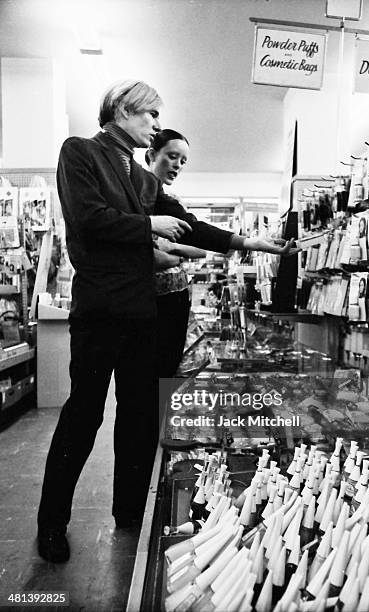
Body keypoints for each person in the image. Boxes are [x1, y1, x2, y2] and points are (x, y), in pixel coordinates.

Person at [37, 78, 299, 564]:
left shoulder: (143, 180)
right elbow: (88, 218)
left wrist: (248, 243)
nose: (155, 124)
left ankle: (130, 511)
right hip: (99, 312)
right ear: (120, 109)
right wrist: (148, 226)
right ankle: (52, 524)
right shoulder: (80, 153)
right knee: (84, 415)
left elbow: (191, 223)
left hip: (141, 313)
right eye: (150, 114)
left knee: (138, 417)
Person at [145, 129, 207, 377]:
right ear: (151, 154)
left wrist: (172, 249)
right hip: (145, 298)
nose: (178, 165)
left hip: (176, 296)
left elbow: (200, 248)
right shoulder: (136, 199)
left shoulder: (175, 202)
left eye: (183, 161)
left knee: (168, 372)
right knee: (146, 376)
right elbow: (148, 258)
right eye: (172, 156)